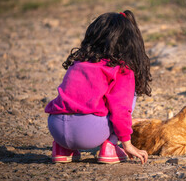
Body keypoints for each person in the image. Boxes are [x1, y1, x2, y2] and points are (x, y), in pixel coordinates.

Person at [45, 10, 151, 164]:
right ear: (129, 43)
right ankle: (110, 147)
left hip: (56, 127)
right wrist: (127, 144)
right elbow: (121, 110)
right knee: (129, 95)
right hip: (87, 132)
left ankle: (62, 149)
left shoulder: (79, 62)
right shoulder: (122, 69)